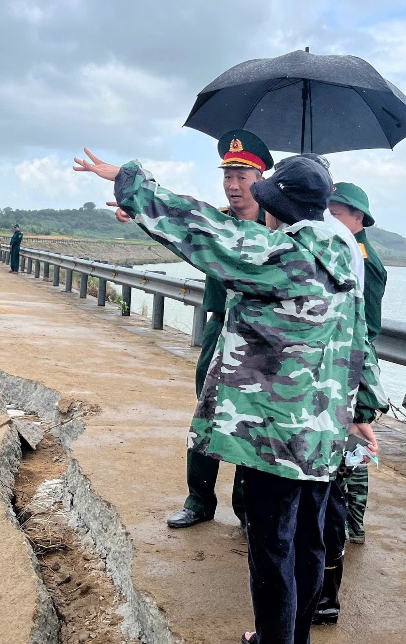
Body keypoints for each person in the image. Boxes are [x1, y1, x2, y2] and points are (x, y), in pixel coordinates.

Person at [74, 148, 386, 644]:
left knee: (272, 551)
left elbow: (205, 234)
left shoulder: (284, 254)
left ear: (274, 204)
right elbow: (360, 334)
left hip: (275, 433)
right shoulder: (343, 253)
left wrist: (131, 185)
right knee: (307, 544)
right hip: (324, 431)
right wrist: (363, 407)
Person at [166, 129, 273, 530]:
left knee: (251, 420)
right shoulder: (216, 222)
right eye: (227, 175)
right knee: (206, 415)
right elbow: (179, 234)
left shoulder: (279, 227)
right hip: (218, 328)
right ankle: (198, 501)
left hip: (258, 338)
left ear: (262, 178)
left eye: (242, 176)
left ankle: (246, 510)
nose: (232, 185)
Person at [312, 181, 388, 625]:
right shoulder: (339, 246)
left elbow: (366, 322)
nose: (332, 217)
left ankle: (353, 525)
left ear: (359, 218)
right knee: (346, 463)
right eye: (328, 209)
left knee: (351, 463)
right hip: (344, 362)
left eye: (339, 211)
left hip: (353, 361)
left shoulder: (361, 258)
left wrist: (359, 386)